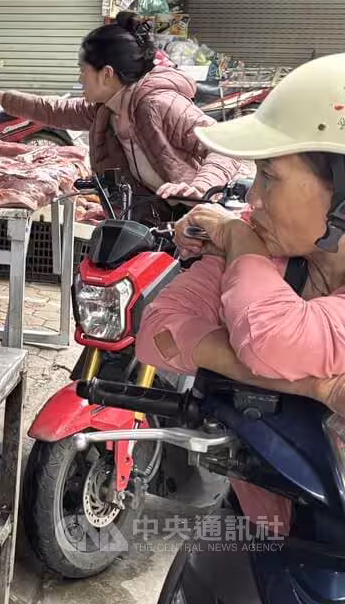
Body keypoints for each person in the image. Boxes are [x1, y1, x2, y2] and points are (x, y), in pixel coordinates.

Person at [135, 52, 345, 530]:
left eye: (269, 177)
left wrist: (236, 236)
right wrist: (317, 385)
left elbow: (271, 337)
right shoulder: (269, 250)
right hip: (267, 522)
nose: (253, 199)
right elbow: (158, 332)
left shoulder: (248, 245)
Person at [0, 12, 241, 223]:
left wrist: (200, 187)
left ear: (106, 74)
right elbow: (52, 110)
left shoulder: (158, 103)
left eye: (83, 70)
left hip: (193, 217)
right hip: (154, 218)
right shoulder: (106, 108)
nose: (80, 78)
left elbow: (224, 145)